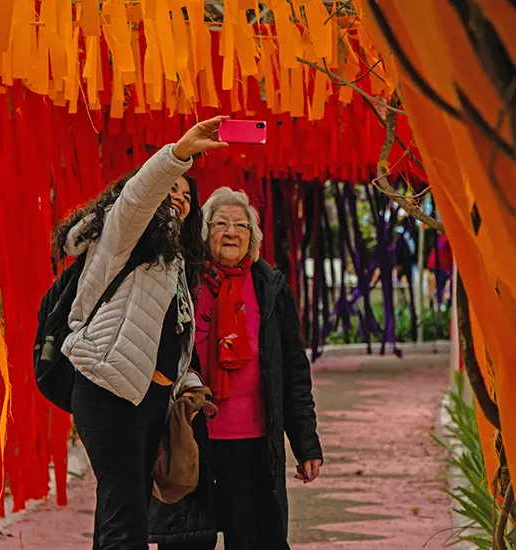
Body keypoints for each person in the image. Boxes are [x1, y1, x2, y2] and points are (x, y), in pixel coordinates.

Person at [51, 117, 226, 550]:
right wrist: (178, 155)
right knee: (126, 519)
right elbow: (136, 197)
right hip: (109, 390)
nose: (179, 199)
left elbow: (167, 337)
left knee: (121, 513)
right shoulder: (122, 236)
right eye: (171, 190)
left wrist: (185, 382)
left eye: (186, 197)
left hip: (149, 400)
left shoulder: (172, 263)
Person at [151, 187, 323, 550]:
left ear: (253, 238)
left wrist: (306, 444)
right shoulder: (183, 282)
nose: (231, 232)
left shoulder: (270, 288)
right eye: (220, 223)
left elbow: (293, 373)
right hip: (192, 443)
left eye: (241, 225)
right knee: (187, 543)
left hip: (254, 448)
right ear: (204, 232)